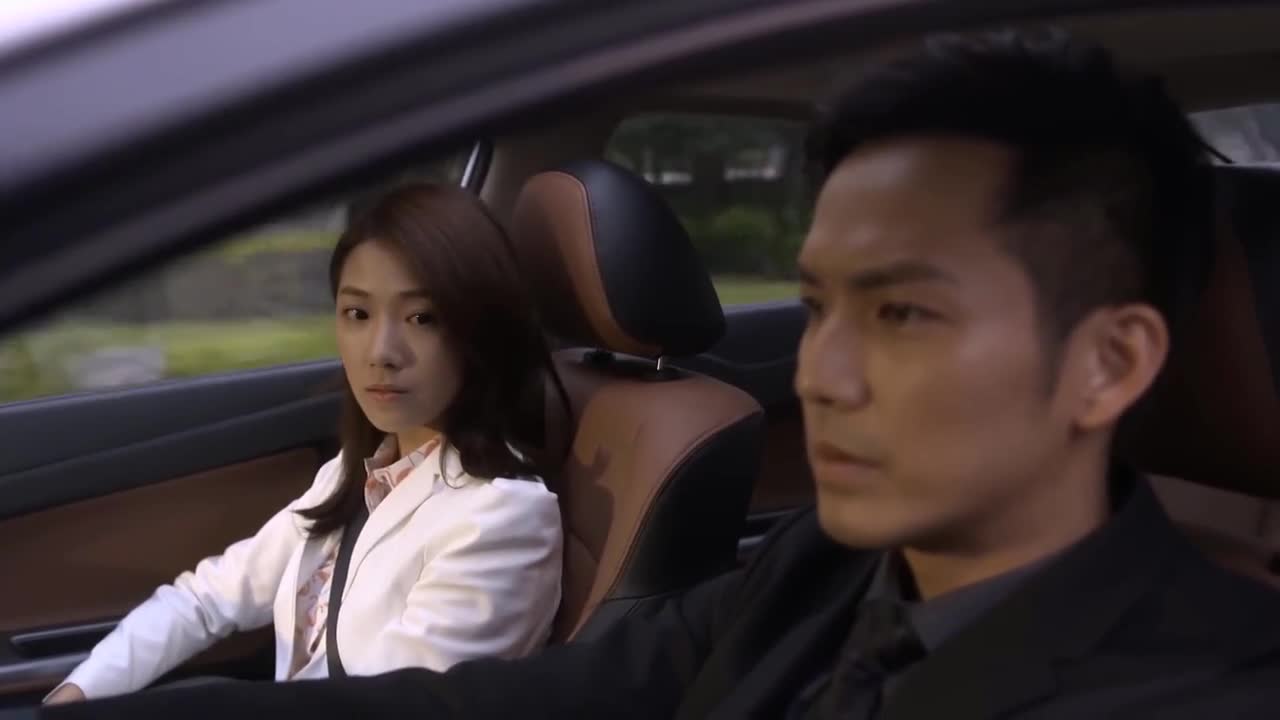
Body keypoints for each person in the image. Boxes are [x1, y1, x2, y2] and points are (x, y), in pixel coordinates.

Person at [41, 28, 1280, 720]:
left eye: (901, 312)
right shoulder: (823, 568)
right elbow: (502, 707)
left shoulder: (1207, 690)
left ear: (1108, 362)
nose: (823, 374)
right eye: (814, 307)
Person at [42, 183, 570, 705]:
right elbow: (207, 598)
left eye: (421, 318)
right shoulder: (359, 472)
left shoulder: (502, 518)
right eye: (358, 314)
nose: (381, 352)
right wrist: (80, 691)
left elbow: (381, 709)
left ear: (480, 330)